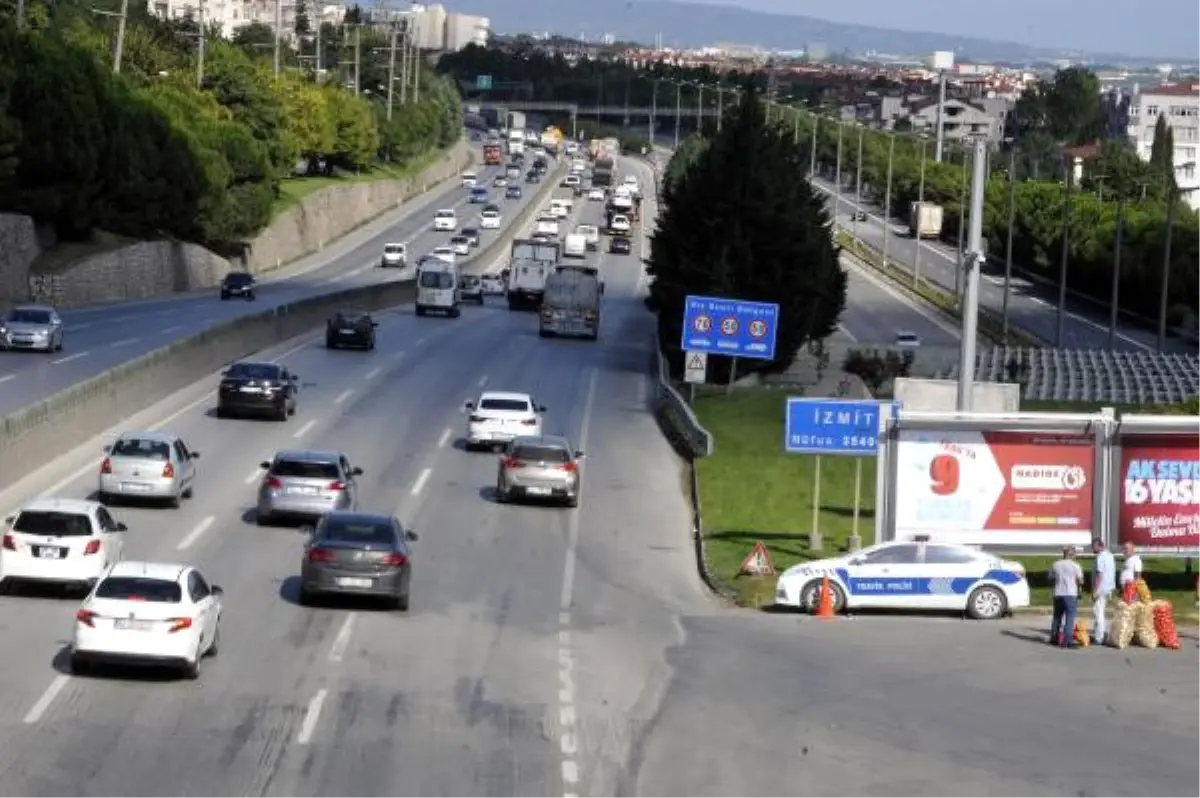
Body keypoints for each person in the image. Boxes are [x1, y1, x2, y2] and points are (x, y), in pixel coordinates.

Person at [1049, 546, 1085, 648]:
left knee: (1057, 617)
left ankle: (1054, 638)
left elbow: (1050, 578)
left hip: (1058, 593)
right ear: (1072, 554)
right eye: (1075, 554)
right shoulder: (1075, 566)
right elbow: (1081, 581)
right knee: (1070, 617)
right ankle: (1067, 641)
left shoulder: (1055, 564)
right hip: (1070, 594)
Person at [1091, 538, 1116, 645]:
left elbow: (1099, 574)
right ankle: (1100, 634)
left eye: (1094, 546)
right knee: (1101, 611)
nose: (1092, 549)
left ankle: (1099, 637)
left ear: (1099, 546)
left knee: (1098, 612)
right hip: (1108, 587)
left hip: (1101, 588)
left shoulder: (1100, 557)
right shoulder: (1110, 555)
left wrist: (1095, 590)